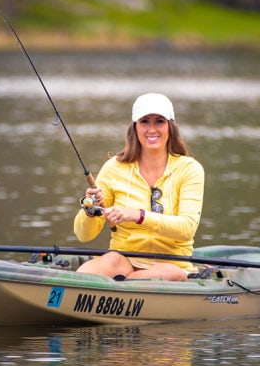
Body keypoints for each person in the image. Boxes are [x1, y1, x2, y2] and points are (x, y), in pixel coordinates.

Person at [74, 93, 204, 281]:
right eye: (144, 122)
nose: (152, 129)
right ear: (135, 127)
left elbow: (187, 228)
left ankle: (121, 284)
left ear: (170, 127)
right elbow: (83, 235)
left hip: (173, 264)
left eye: (159, 121)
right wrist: (89, 209)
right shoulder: (114, 167)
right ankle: (114, 283)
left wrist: (139, 215)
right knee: (109, 261)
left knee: (170, 273)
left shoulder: (190, 169)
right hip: (123, 260)